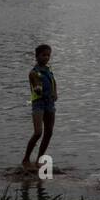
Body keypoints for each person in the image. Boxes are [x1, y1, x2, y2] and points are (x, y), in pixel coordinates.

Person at [22, 44, 57, 172]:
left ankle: (39, 159)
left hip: (50, 103)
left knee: (49, 132)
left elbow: (54, 81)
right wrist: (38, 89)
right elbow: (36, 86)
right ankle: (26, 158)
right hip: (38, 104)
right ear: (37, 56)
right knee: (38, 132)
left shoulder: (49, 69)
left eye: (48, 55)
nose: (46, 57)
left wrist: (55, 93)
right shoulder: (33, 72)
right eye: (44, 55)